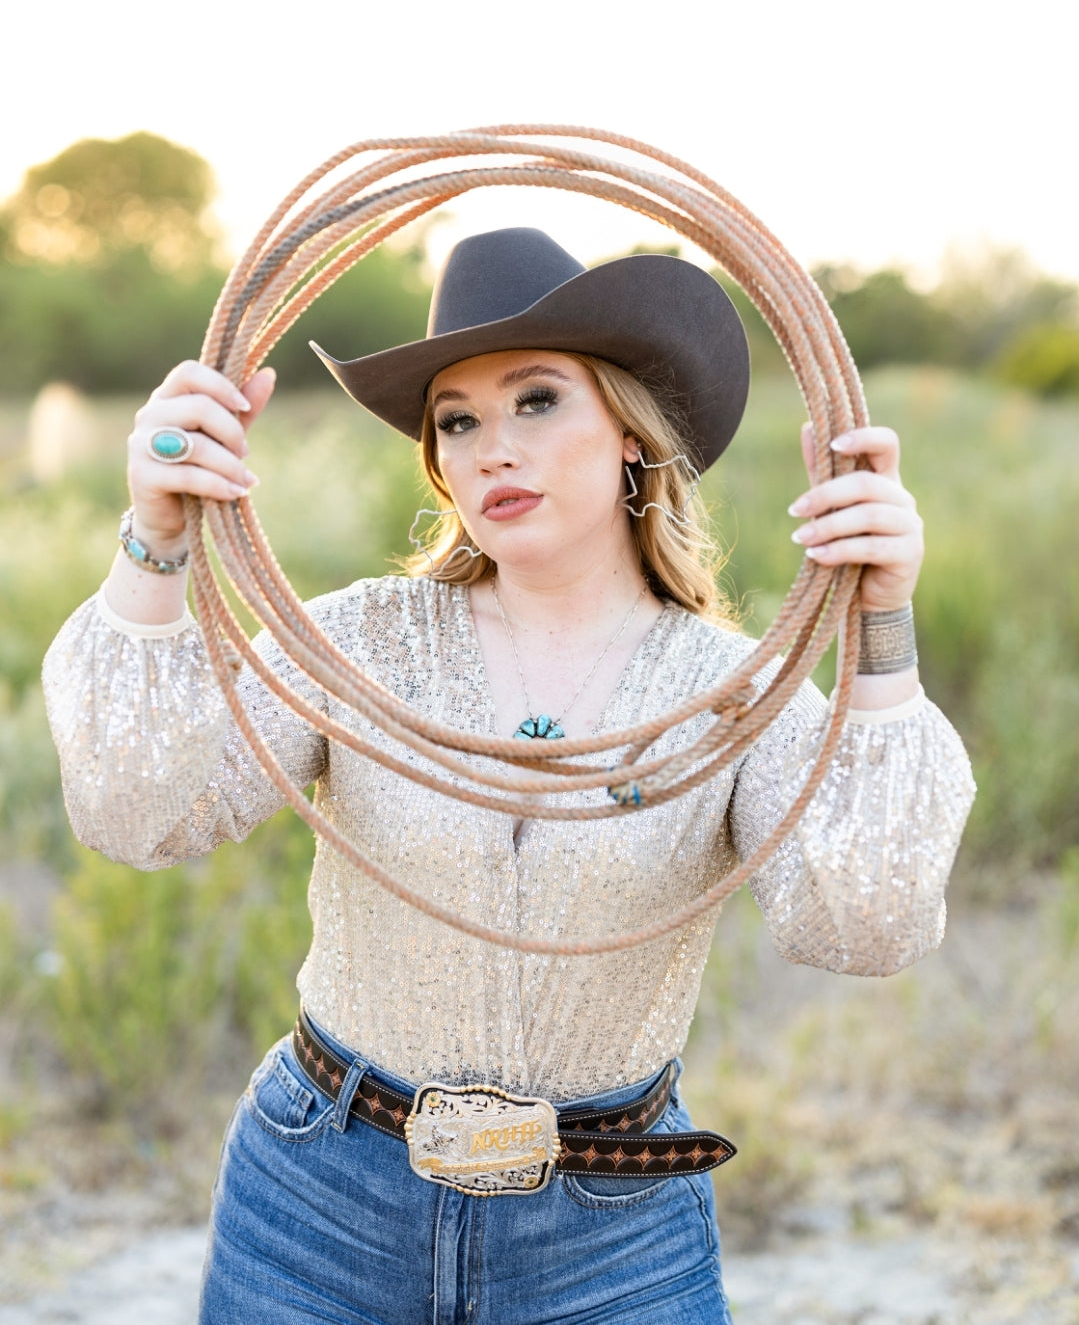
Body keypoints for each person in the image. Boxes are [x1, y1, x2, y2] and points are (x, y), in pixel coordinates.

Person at [44, 227, 974, 1323]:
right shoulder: (359, 645)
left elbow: (860, 926)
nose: (492, 448)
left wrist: (876, 628)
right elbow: (139, 813)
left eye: (536, 401)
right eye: (457, 420)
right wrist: (154, 542)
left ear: (631, 432)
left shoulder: (729, 691)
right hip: (318, 1204)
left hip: (608, 1236)